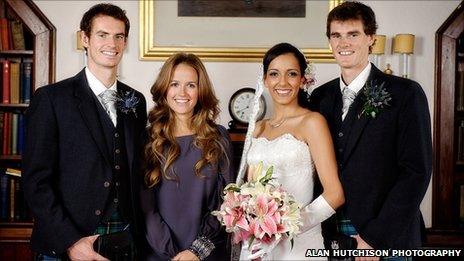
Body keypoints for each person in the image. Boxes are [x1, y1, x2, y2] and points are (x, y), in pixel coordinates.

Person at [22, 3, 147, 260]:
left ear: (125, 42)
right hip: (65, 243)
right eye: (102, 34)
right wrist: (71, 242)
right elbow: (36, 182)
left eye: (119, 36)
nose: (111, 43)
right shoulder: (51, 99)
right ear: (85, 39)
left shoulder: (136, 100)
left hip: (123, 239)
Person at [307, 1, 433, 255]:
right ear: (330, 42)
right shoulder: (320, 97)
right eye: (336, 36)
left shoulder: (405, 93)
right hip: (333, 235)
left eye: (353, 34)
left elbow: (416, 171)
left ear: (371, 38)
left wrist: (375, 238)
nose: (343, 43)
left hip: (389, 234)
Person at [238, 42, 345, 260]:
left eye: (292, 74)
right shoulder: (258, 128)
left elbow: (335, 194)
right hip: (256, 245)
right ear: (265, 80)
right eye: (274, 74)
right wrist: (250, 224)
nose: (283, 82)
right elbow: (248, 189)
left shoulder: (312, 122)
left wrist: (281, 230)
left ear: (303, 80)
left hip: (299, 245)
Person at [141, 52, 234, 261]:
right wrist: (172, 254)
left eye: (191, 85)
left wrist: (196, 251)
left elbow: (227, 201)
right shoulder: (147, 138)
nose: (182, 92)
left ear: (201, 91)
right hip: (159, 254)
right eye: (174, 84)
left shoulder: (219, 137)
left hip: (207, 253)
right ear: (164, 88)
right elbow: (145, 207)